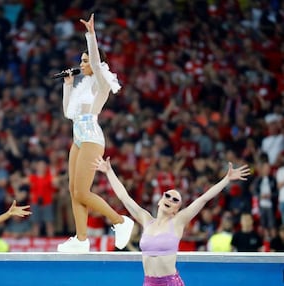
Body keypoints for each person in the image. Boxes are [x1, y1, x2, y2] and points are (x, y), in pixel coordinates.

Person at [93, 156, 250, 286]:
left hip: (170, 283)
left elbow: (203, 199)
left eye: (175, 199)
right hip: (148, 282)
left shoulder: (178, 222)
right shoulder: (146, 219)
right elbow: (124, 197)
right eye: (167, 195)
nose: (170, 199)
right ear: (160, 201)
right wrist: (109, 171)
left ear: (176, 209)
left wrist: (227, 179)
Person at [57, 13, 134, 253]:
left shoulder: (101, 84)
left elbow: (97, 60)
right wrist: (67, 85)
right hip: (78, 136)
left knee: (82, 191)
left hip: (91, 136)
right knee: (73, 190)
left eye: (85, 60)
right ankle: (81, 240)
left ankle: (121, 221)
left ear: (97, 63)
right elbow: (68, 113)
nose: (81, 64)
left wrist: (91, 34)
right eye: (81, 60)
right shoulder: (82, 88)